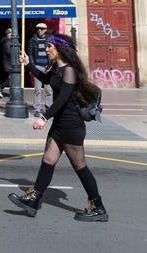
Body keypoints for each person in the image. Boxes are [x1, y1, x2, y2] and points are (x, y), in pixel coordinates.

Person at [8, 33, 108, 222]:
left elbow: (62, 99)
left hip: (71, 125)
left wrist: (44, 117)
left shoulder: (69, 70)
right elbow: (45, 80)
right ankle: (33, 200)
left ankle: (98, 206)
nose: (46, 50)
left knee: (80, 167)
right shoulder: (56, 68)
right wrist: (28, 63)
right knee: (48, 160)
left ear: (60, 49)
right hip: (60, 124)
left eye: (49, 47)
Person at [28, 22, 52, 117]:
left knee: (48, 90)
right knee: (37, 89)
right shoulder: (33, 40)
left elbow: (52, 53)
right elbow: (30, 53)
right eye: (38, 28)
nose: (39, 30)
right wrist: (32, 66)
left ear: (45, 30)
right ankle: (37, 109)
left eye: (41, 29)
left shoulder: (49, 39)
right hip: (37, 67)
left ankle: (49, 108)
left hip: (47, 67)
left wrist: (50, 66)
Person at [0, 27, 13, 97]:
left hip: (8, 62)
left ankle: (2, 88)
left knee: (11, 77)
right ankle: (0, 87)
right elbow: (9, 52)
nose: (13, 35)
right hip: (8, 63)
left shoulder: (8, 41)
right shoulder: (7, 41)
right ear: (8, 34)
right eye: (11, 33)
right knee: (12, 78)